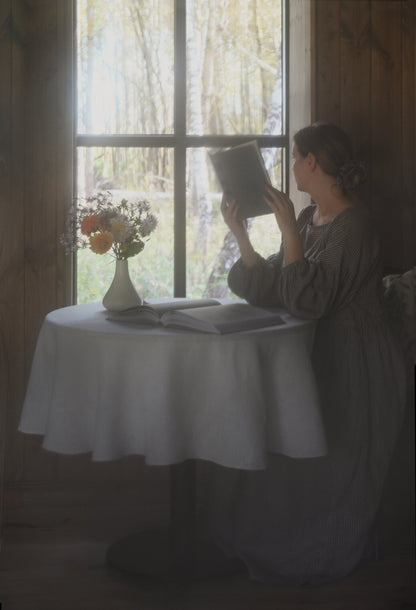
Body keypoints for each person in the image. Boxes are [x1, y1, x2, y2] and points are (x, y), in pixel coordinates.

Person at [210, 122, 406, 585]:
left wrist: (287, 232)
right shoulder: (306, 219)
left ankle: (327, 553)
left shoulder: (355, 225)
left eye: (295, 157)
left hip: (357, 363)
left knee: (340, 468)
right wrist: (241, 235)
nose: (292, 166)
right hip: (316, 356)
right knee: (296, 463)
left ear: (312, 162)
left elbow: (310, 300)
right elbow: (273, 287)